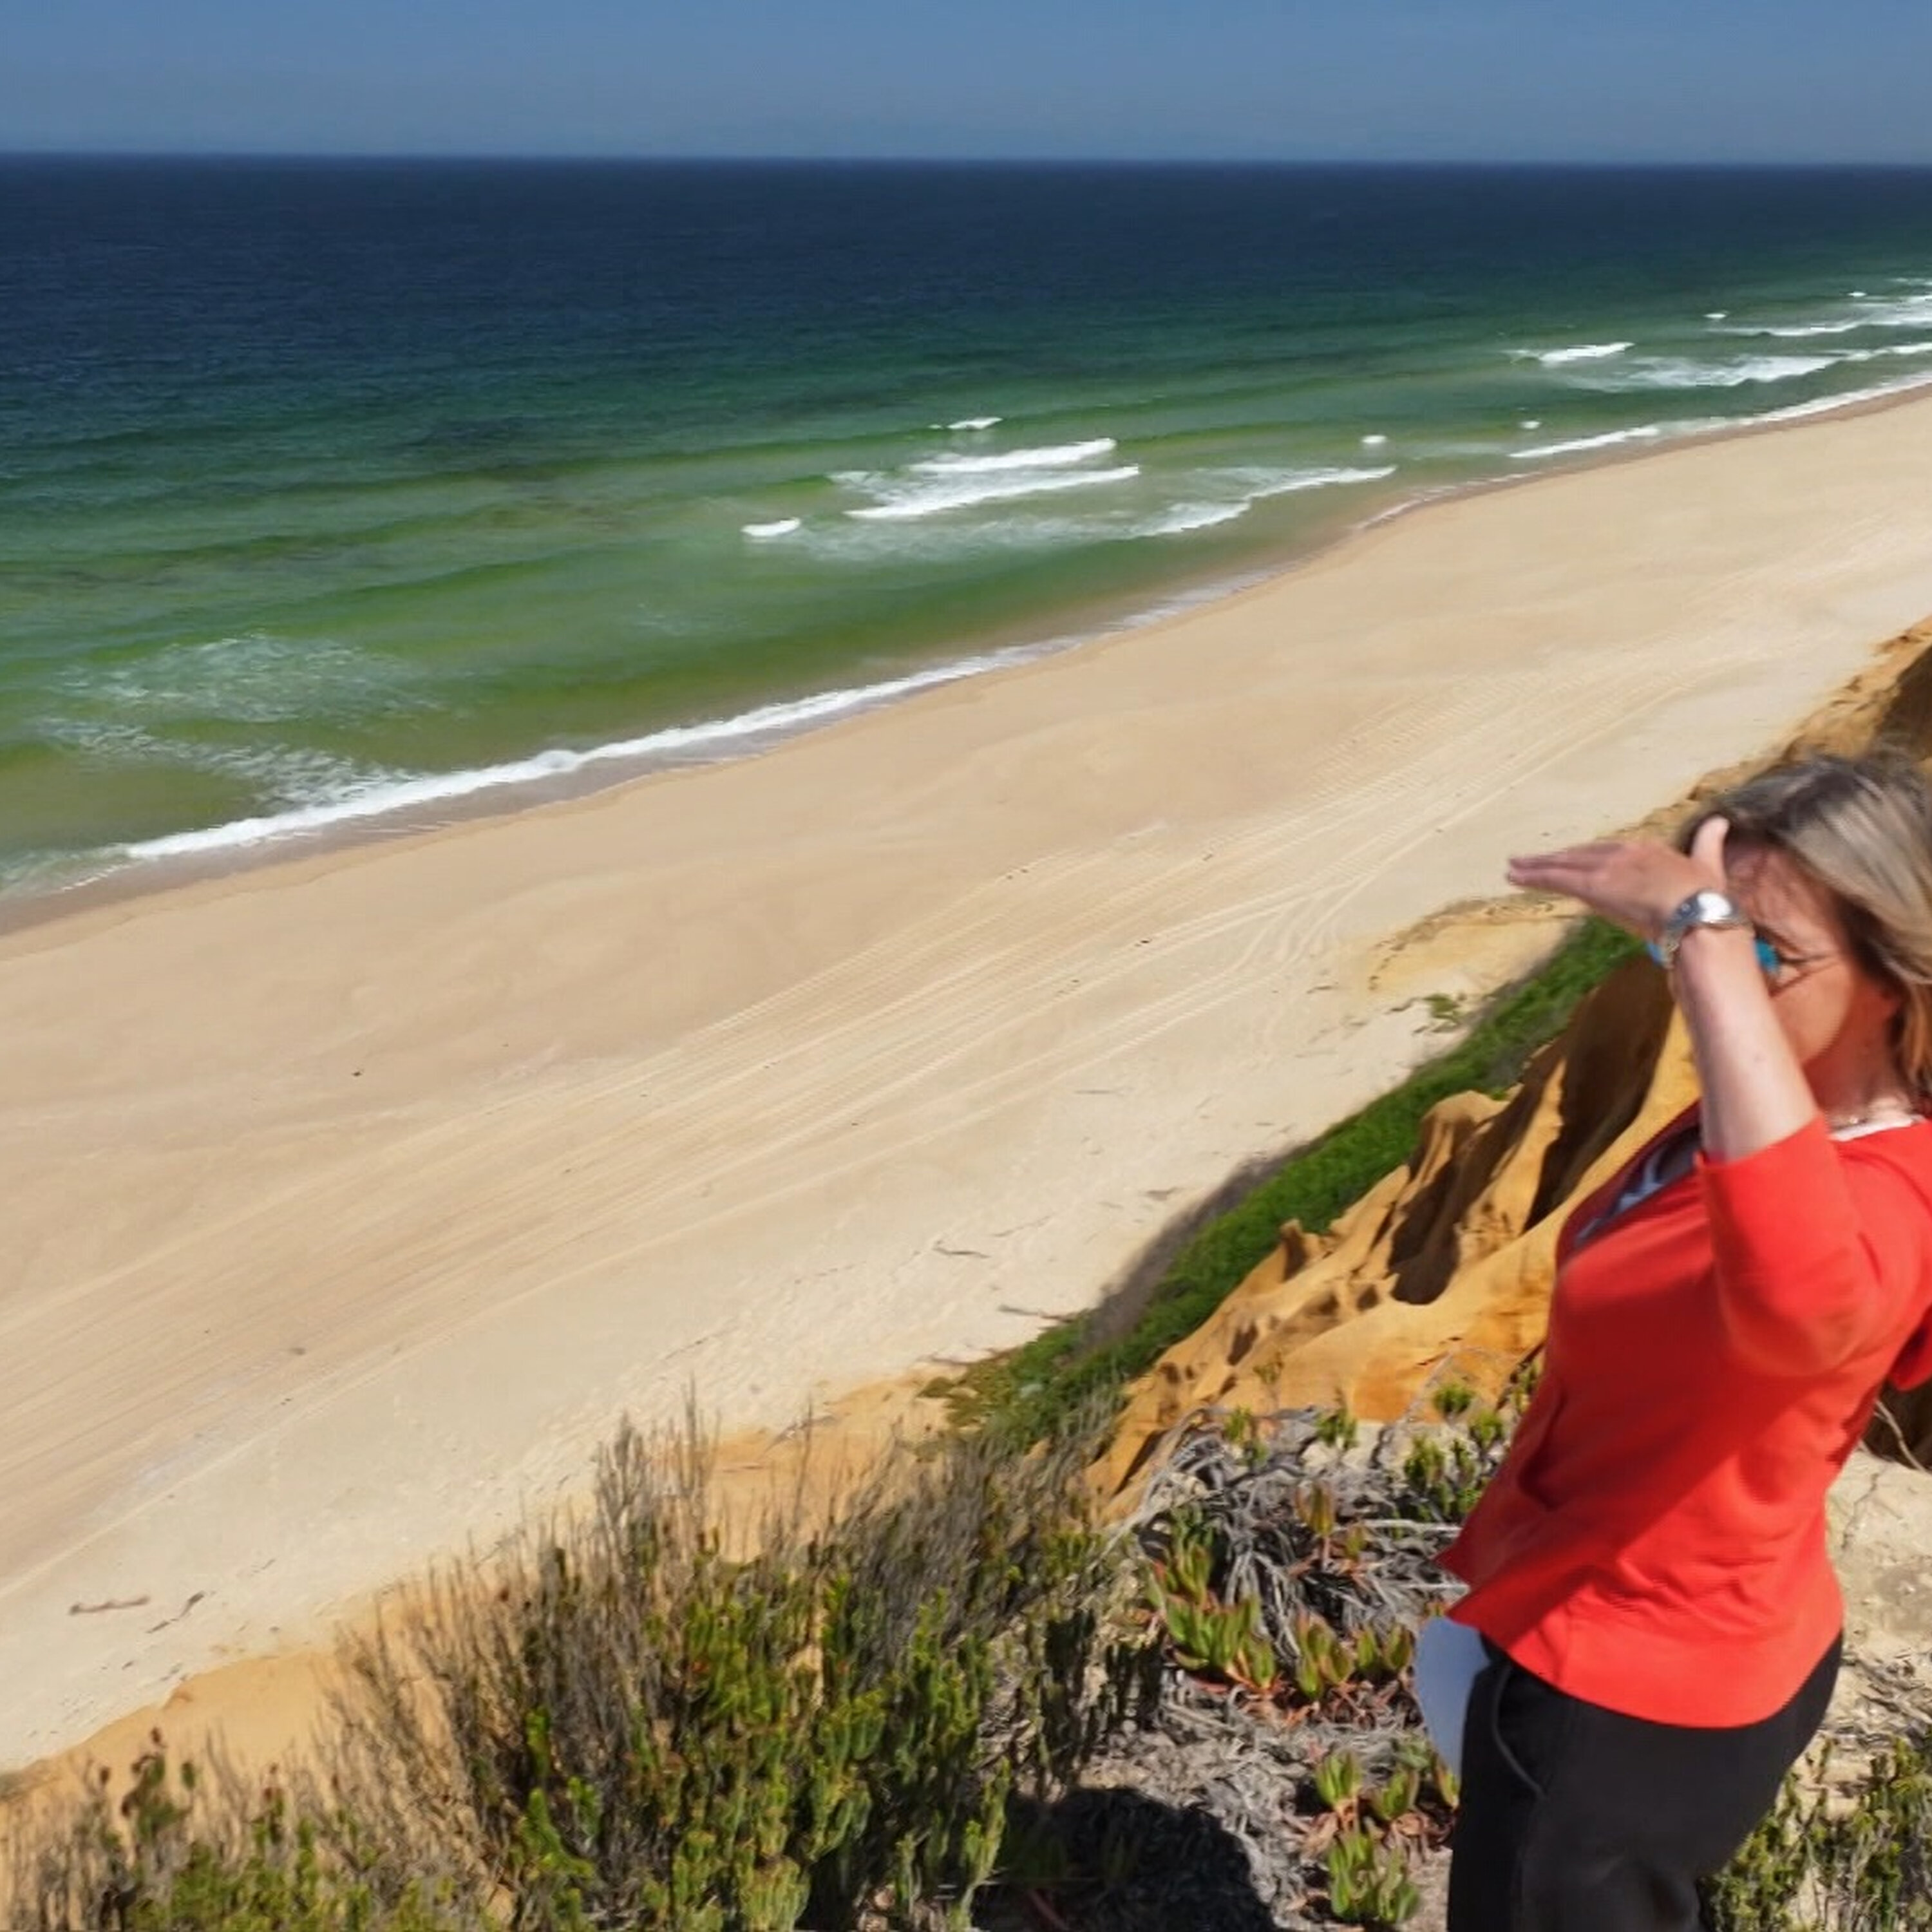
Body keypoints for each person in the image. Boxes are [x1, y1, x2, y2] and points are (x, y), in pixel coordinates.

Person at [1426, 750, 1932, 1932]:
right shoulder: (1766, 1112)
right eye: (1702, 943)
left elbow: (1798, 1299)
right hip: (1624, 1629)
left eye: (1769, 953)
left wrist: (1704, 947)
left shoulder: (1887, 1198)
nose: (1717, 982)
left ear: (1894, 982)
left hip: (1630, 1709)